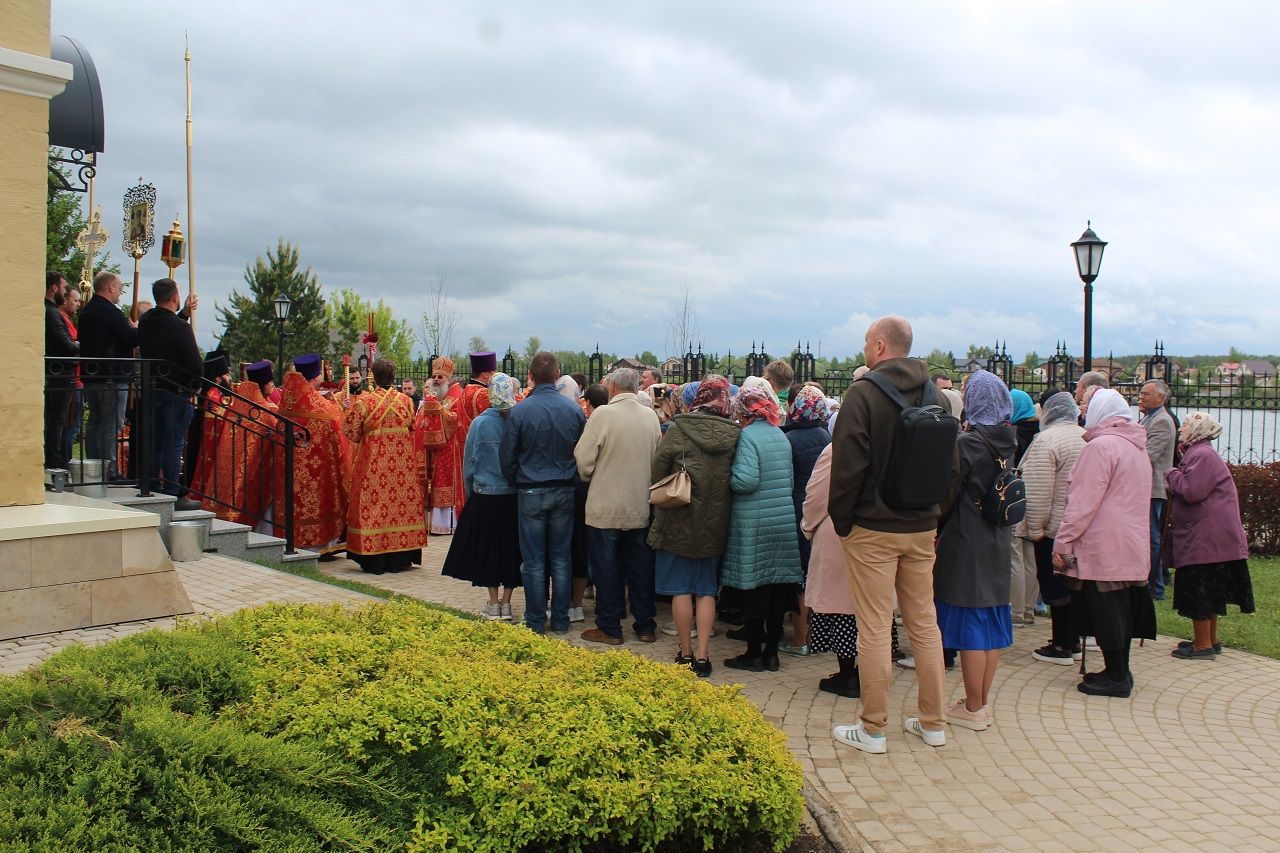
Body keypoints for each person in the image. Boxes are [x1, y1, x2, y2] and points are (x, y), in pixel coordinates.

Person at [829, 316, 953, 754]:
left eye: (866, 342)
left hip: (873, 527)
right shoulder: (936, 394)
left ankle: (873, 727)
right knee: (925, 624)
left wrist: (843, 521)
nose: (864, 349)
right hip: (921, 525)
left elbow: (847, 468)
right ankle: (934, 722)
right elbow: (949, 468)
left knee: (876, 627)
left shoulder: (862, 394)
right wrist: (934, 515)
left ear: (880, 346)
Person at [1052, 389, 1157, 698]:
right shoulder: (1135, 446)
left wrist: (1063, 543)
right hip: (1130, 541)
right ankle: (1119, 670)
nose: (1082, 409)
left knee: (1107, 610)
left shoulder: (1102, 446)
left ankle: (1116, 677)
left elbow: (1082, 502)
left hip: (1103, 543)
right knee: (1120, 609)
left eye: (1086, 404)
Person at [933, 370, 1016, 732]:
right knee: (991, 624)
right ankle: (980, 702)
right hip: (997, 537)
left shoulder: (967, 443)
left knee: (971, 627)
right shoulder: (1008, 440)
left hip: (966, 538)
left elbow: (947, 492)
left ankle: (973, 706)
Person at [649, 375, 740, 677]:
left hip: (679, 517)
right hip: (715, 521)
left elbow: (657, 471)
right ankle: (703, 656)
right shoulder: (735, 435)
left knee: (680, 590)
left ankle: (685, 652)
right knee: (706, 590)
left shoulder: (678, 430)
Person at [574, 368, 662, 646]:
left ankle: (610, 626)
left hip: (606, 506)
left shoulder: (602, 415)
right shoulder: (650, 416)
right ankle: (645, 625)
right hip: (639, 504)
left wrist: (592, 475)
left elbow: (584, 460)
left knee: (606, 568)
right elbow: (657, 459)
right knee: (640, 568)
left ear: (612, 388)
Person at [500, 352, 586, 633]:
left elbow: (508, 455)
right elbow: (582, 452)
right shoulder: (573, 410)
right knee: (561, 557)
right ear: (558, 374)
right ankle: (560, 620)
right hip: (563, 489)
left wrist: (518, 480)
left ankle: (536, 620)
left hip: (531, 489)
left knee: (534, 560)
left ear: (531, 376)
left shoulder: (520, 411)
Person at [721, 386, 803, 672]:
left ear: (744, 411)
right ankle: (772, 653)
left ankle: (754, 652)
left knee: (755, 588)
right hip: (781, 518)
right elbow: (789, 480)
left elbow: (745, 481)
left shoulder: (747, 436)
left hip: (755, 522)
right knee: (777, 589)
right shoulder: (779, 434)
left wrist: (727, 477)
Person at [1164, 412, 1254, 658]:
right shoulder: (1200, 453)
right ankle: (1208, 640)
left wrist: (1170, 474)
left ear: (1198, 429)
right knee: (1211, 589)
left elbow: (1191, 491)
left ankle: (1203, 646)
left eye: (1185, 425)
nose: (1181, 429)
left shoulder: (1201, 455)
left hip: (1205, 537)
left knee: (1199, 590)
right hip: (1211, 536)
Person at [442, 373, 524, 619]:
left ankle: (493, 602)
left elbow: (469, 462)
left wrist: (470, 492)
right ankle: (507, 603)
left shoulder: (479, 423)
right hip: (512, 495)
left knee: (489, 549)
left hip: (485, 495)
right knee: (511, 548)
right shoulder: (517, 421)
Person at [343, 358, 427, 574]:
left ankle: (375, 558)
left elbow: (351, 433)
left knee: (373, 508)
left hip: (372, 468)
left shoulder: (364, 403)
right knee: (399, 507)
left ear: (373, 376)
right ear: (394, 376)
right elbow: (411, 427)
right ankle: (401, 556)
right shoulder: (407, 402)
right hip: (402, 469)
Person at [1022, 391, 1087, 666]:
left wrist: (1035, 527)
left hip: (1053, 526)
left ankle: (1062, 644)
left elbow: (1038, 488)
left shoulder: (1046, 440)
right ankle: (1072, 638)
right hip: (1080, 524)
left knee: (1055, 585)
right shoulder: (1085, 436)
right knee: (1074, 585)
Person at [275, 354, 352, 553]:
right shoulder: (326, 409)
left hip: (290, 473)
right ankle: (319, 544)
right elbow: (342, 436)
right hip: (319, 476)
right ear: (316, 377)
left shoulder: (286, 404)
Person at [137, 278, 203, 507]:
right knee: (173, 443)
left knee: (155, 442)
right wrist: (194, 384)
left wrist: (183, 312)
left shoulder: (146, 322)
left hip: (152, 388)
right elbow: (195, 364)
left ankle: (154, 486)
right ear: (174, 297)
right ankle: (174, 492)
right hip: (176, 391)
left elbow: (165, 330)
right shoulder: (180, 327)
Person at [779, 384, 831, 656]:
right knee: (815, 572)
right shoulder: (827, 437)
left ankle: (800, 638)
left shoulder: (789, 439)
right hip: (824, 511)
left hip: (796, 507)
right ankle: (816, 634)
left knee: (799, 575)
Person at [79, 271, 138, 480]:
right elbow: (130, 339)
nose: (120, 292)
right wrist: (136, 328)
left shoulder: (86, 312)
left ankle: (92, 467)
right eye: (119, 288)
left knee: (95, 422)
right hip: (112, 377)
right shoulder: (111, 312)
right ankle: (109, 470)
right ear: (111, 287)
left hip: (91, 376)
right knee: (111, 424)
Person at [1139, 380, 1178, 600]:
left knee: (1153, 537)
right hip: (1147, 488)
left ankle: (1156, 587)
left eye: (1146, 394)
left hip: (1154, 489)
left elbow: (1148, 456)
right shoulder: (1149, 417)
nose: (1141, 397)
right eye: (1141, 393)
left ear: (1160, 398)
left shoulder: (1162, 421)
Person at [1009, 389, 1040, 625]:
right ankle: (1029, 607)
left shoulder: (1015, 434)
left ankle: (1016, 610)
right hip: (1037, 498)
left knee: (1015, 555)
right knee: (1031, 557)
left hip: (1017, 499)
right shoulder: (1040, 432)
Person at [425, 356, 466, 534]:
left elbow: (456, 420)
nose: (436, 380)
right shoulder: (443, 396)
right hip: (440, 448)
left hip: (452, 449)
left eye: (440, 377)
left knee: (446, 481)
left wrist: (437, 410)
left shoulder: (456, 397)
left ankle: (448, 523)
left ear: (448, 379)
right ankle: (438, 523)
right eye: (434, 376)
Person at [44, 272, 79, 471]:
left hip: (57, 372)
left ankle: (54, 460)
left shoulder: (51, 312)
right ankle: (54, 462)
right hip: (59, 373)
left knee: (55, 418)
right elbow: (66, 345)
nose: (65, 292)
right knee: (57, 419)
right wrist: (79, 344)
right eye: (64, 288)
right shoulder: (52, 313)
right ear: (54, 288)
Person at [187, 350, 231, 504]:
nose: (230, 378)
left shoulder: (213, 392)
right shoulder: (214, 396)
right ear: (218, 378)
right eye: (227, 375)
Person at [58, 284, 84, 466]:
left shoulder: (67, 319)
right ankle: (63, 461)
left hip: (77, 379)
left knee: (70, 425)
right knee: (69, 426)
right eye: (74, 300)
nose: (77, 304)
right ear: (65, 299)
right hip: (72, 380)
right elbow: (70, 346)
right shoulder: (60, 319)